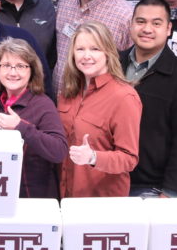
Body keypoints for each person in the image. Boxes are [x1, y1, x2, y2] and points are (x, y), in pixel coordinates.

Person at [119, 0, 177, 198]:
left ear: (168, 29)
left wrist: (170, 192)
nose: (147, 29)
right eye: (140, 21)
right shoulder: (113, 64)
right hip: (110, 178)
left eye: (156, 23)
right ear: (131, 25)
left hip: (151, 188)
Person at [57, 21, 142, 198]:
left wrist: (93, 157)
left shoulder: (124, 97)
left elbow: (129, 159)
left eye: (95, 49)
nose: (86, 56)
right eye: (80, 49)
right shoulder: (67, 93)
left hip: (101, 205)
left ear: (108, 53)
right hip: (65, 197)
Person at [0, 38, 67, 198]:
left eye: (20, 66)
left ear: (32, 70)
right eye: (6, 66)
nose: (13, 72)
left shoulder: (43, 104)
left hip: (33, 200)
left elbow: (59, 151)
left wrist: (21, 127)